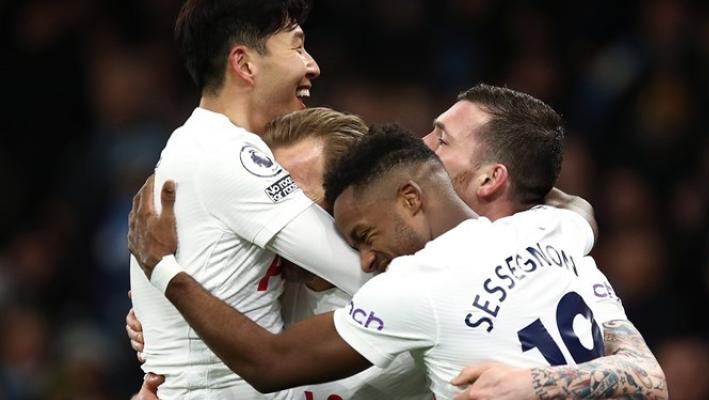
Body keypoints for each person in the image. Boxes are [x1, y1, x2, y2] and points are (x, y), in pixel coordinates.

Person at [128, 124, 668, 399]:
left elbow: (268, 365)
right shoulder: (544, 229)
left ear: (408, 199)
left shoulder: (409, 289)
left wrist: (167, 272)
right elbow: (575, 209)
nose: (367, 258)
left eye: (306, 210)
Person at [128, 1, 374, 398]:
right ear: (244, 65)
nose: (312, 65)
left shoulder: (193, 145)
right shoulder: (226, 154)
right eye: (297, 47)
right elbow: (365, 277)